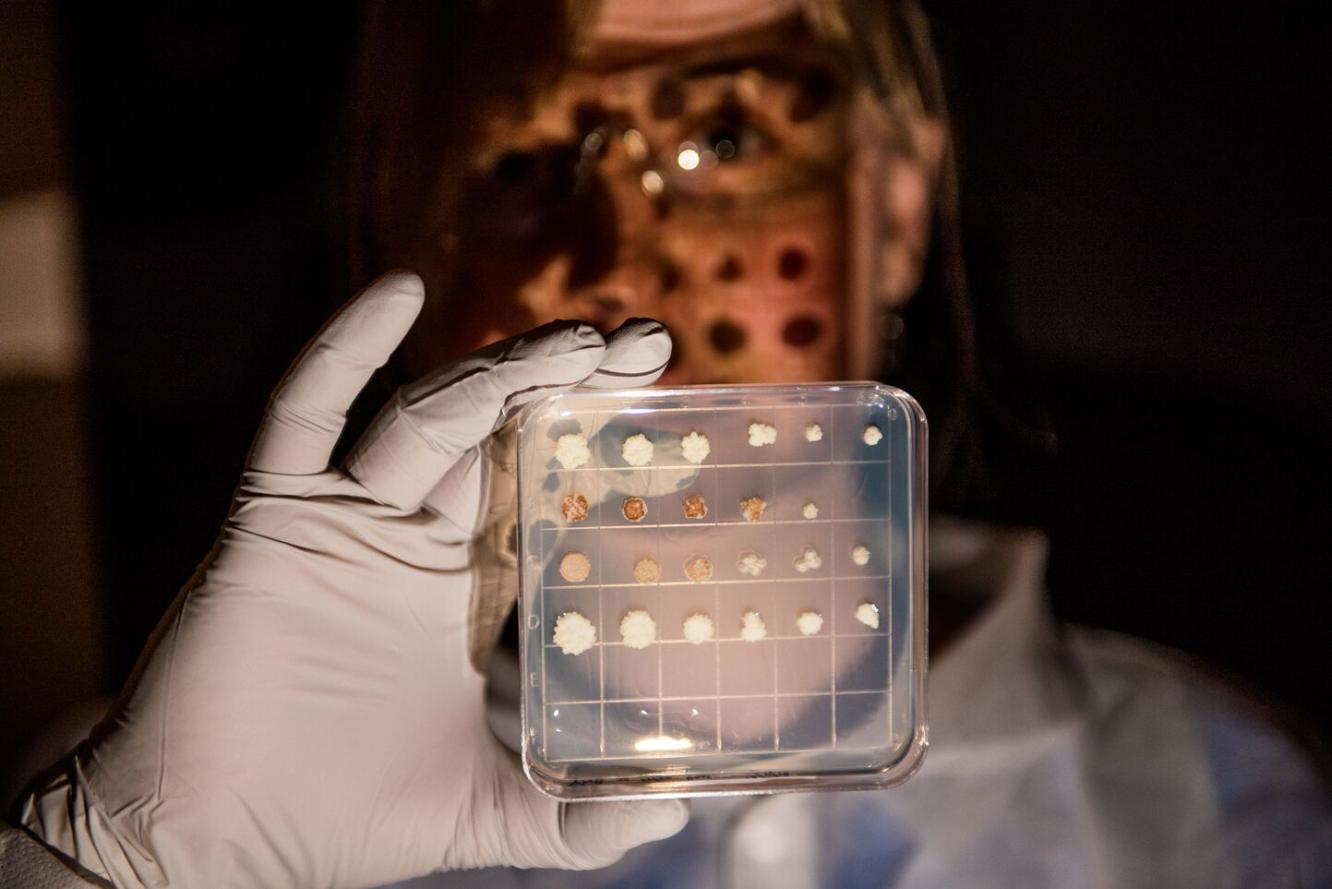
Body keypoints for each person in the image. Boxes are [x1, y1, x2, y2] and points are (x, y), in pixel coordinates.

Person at [4, 2, 1330, 889]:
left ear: (903, 203)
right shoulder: (185, 781)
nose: (621, 259)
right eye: (523, 166)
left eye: (730, 133)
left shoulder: (1234, 807)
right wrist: (145, 861)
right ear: (406, 226)